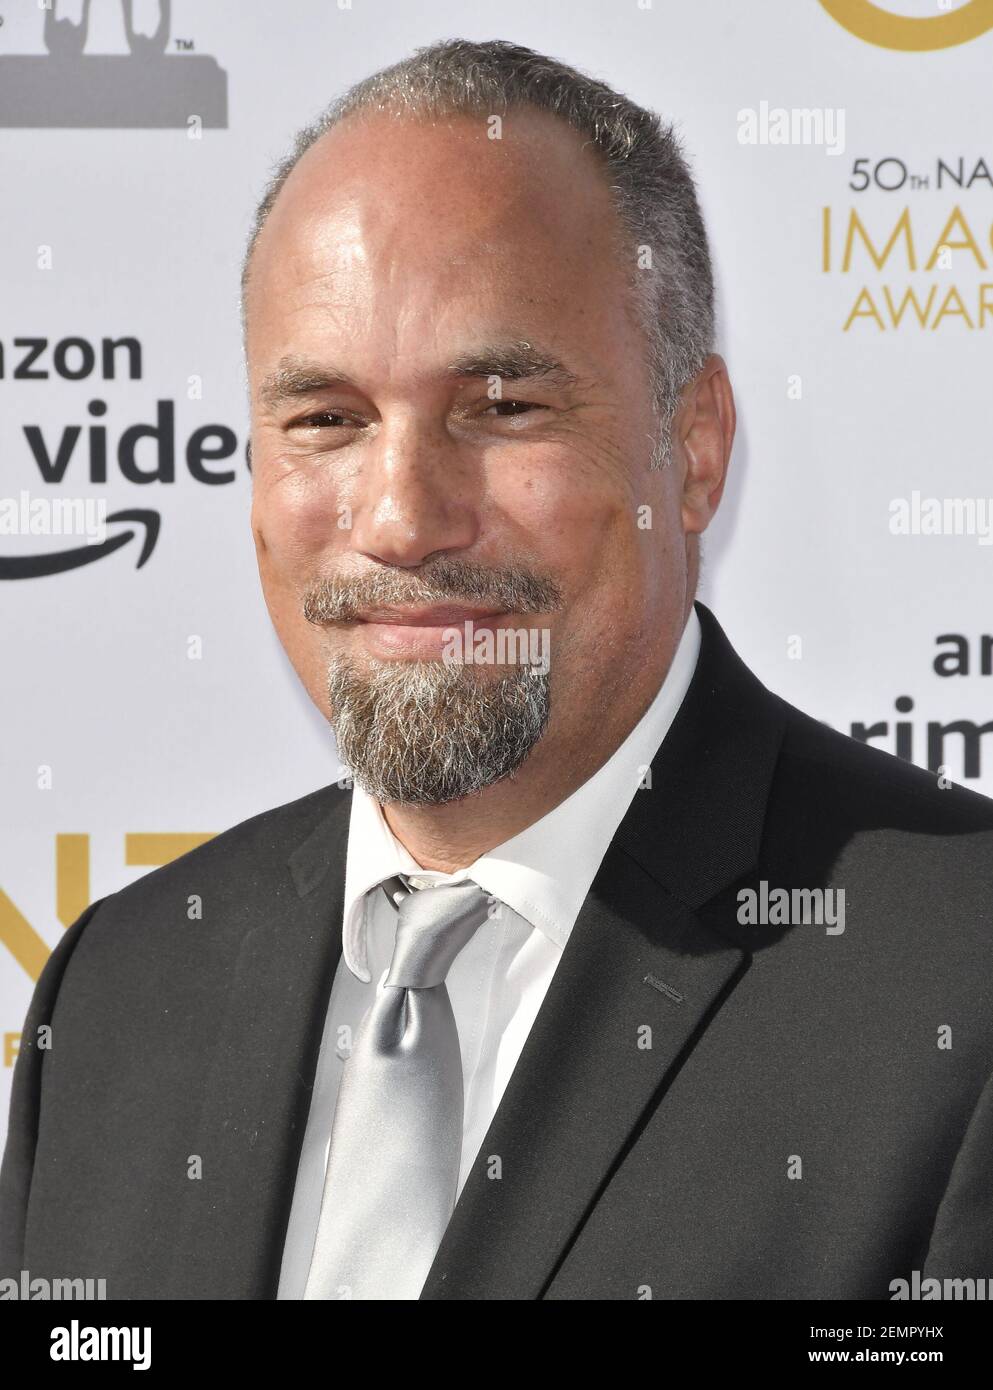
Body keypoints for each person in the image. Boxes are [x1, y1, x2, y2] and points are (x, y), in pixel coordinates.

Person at [3, 38, 992, 1302]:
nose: (403, 517)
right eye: (326, 419)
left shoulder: (958, 980)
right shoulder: (124, 990)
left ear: (691, 450)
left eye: (503, 405)